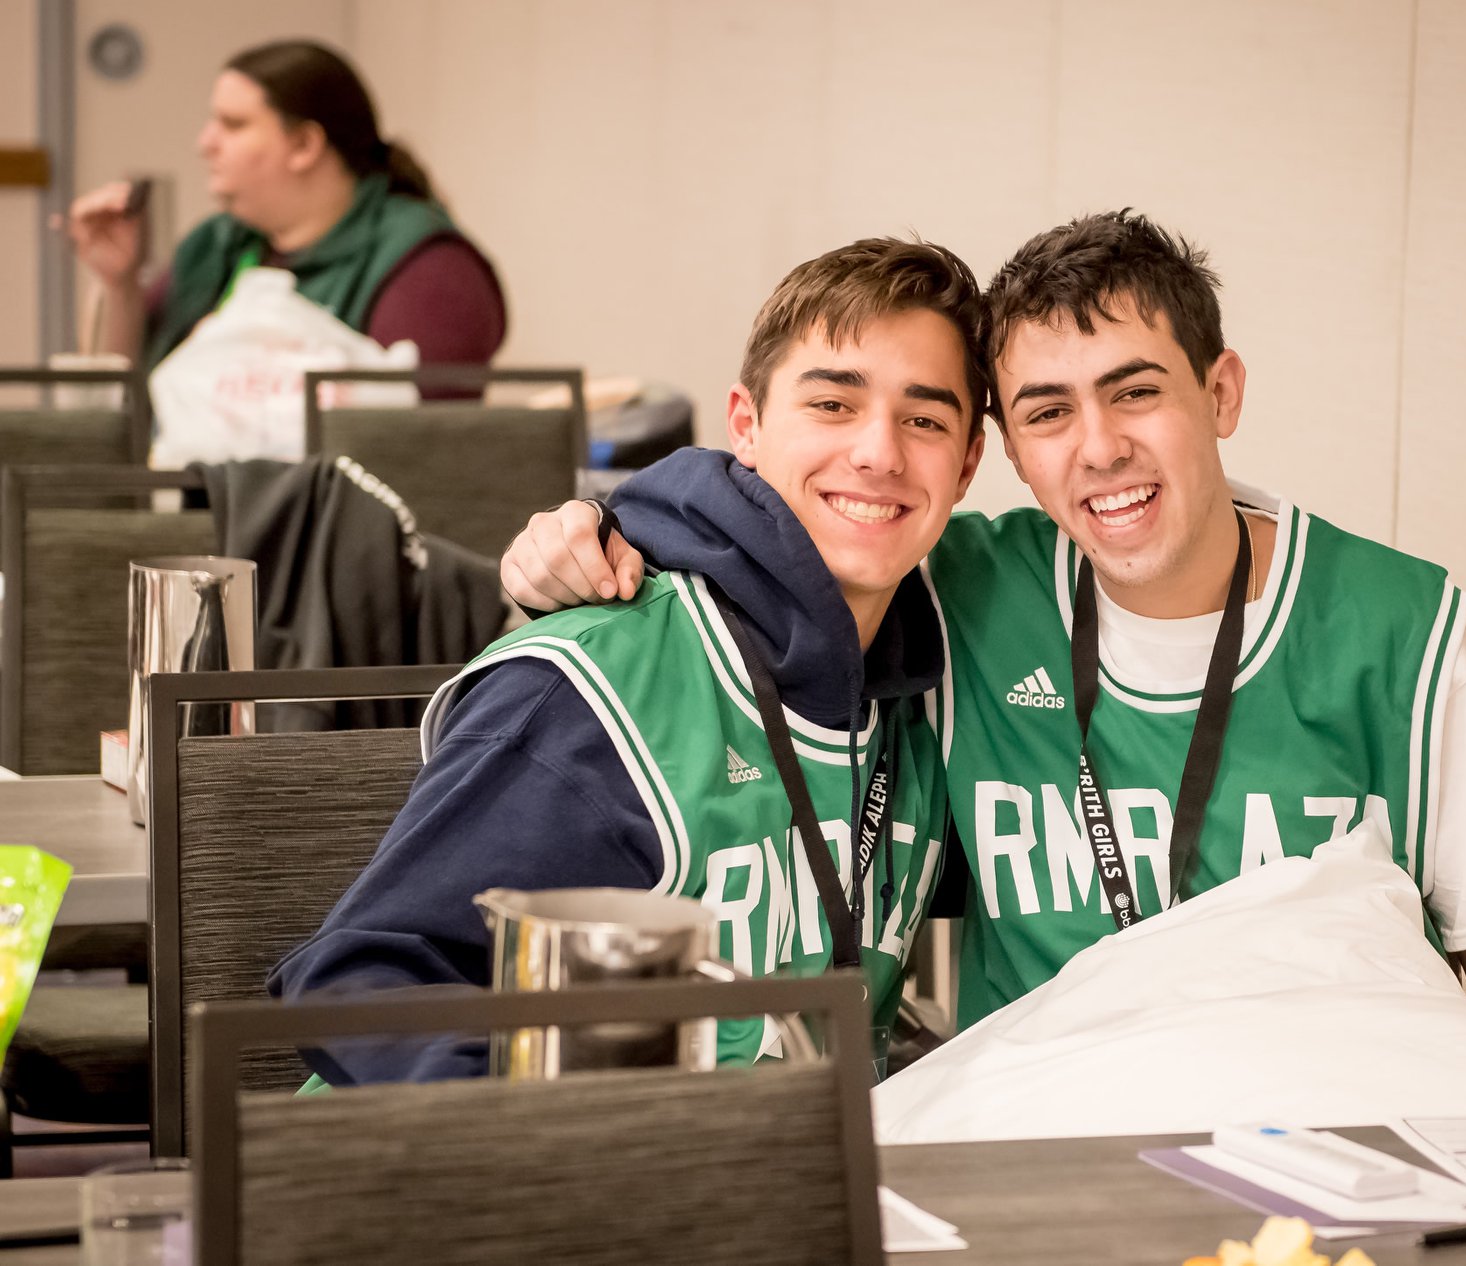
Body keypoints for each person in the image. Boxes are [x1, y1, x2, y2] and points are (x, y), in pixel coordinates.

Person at [502, 211, 1466, 1053]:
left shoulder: (1400, 628)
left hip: (1338, 1146)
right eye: (1046, 412)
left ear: (1220, 392)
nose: (1099, 447)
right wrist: (600, 528)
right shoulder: (962, 588)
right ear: (1007, 454)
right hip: (1034, 1149)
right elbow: (785, 515)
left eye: (1136, 392)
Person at [267, 237, 987, 1082]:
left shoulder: (927, 697)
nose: (878, 452)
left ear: (968, 463)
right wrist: (596, 1149)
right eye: (832, 404)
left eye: (925, 420)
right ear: (746, 425)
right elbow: (354, 982)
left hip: (781, 1154)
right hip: (479, 1156)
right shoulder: (594, 688)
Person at [63, 39, 506, 375]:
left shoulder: (431, 270)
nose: (205, 143)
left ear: (304, 145)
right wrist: (118, 284)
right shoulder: (214, 244)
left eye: (233, 124)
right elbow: (118, 402)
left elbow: (414, 444)